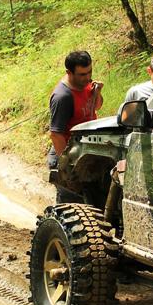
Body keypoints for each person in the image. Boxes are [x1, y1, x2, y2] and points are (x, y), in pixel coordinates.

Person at [48, 51, 104, 200]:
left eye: (89, 72)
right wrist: (66, 166)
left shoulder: (86, 84)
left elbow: (96, 107)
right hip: (68, 155)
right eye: (82, 74)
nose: (87, 77)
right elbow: (55, 134)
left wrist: (97, 92)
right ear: (69, 72)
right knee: (70, 204)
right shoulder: (63, 96)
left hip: (85, 154)